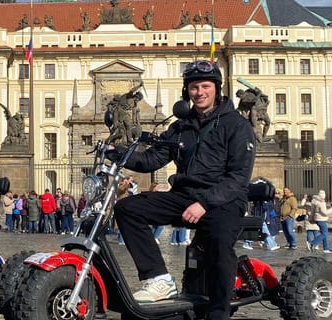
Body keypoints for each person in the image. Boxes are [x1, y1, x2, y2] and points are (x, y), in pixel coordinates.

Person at [110, 60, 256, 319]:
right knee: (128, 208)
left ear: (217, 89)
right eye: (194, 87)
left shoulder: (237, 125)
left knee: (220, 241)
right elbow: (151, 160)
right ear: (186, 91)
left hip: (223, 200)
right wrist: (118, 154)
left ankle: (218, 312)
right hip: (184, 197)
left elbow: (238, 178)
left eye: (205, 86)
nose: (199, 92)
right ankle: (159, 278)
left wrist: (204, 204)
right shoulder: (180, 127)